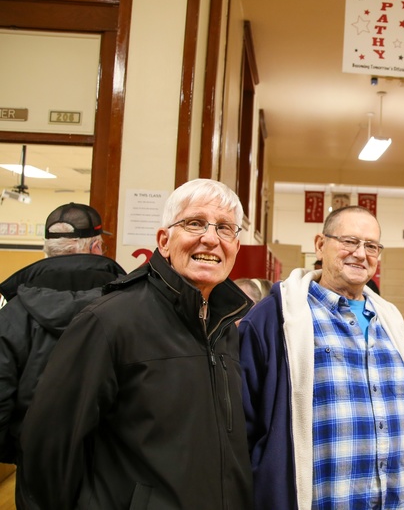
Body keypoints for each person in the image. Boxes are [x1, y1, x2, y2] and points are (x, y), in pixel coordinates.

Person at [21, 179, 254, 509]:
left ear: (235, 247)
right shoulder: (109, 321)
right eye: (195, 223)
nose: (211, 238)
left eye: (225, 228)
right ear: (164, 240)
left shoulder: (226, 327)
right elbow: (48, 449)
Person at [239, 205, 404, 509]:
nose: (360, 253)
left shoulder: (392, 322)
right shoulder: (275, 320)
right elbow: (243, 428)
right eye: (349, 241)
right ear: (320, 244)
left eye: (371, 246)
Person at [0, 202, 126, 509]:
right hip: (115, 462)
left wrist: (18, 451)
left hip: (36, 462)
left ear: (47, 249)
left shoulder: (13, 311)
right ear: (97, 246)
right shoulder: (130, 304)